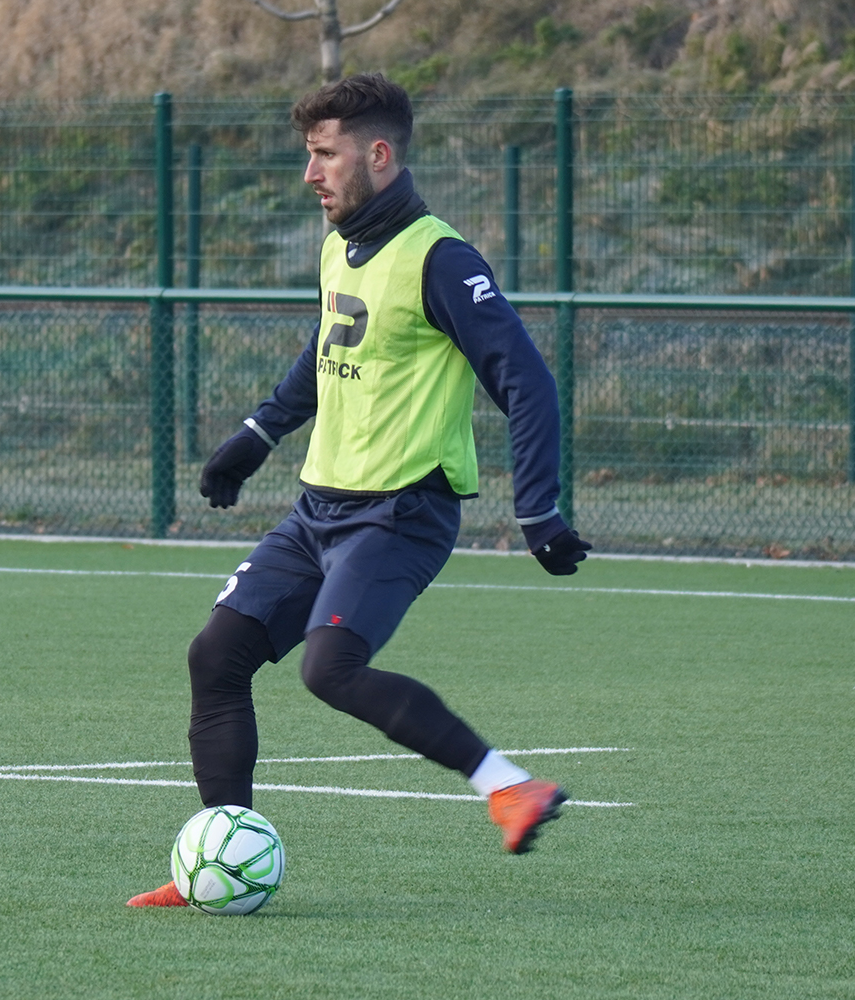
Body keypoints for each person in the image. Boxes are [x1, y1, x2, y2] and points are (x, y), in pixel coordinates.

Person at [127, 73, 591, 908]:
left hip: (400, 513)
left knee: (329, 668)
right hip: (319, 511)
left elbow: (527, 381)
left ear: (377, 155)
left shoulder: (440, 258)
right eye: (308, 155)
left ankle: (508, 786)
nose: (311, 174)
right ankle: (219, 852)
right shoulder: (342, 243)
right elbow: (328, 348)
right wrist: (255, 437)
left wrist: (539, 509)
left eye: (324, 154)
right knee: (216, 657)